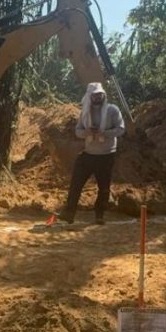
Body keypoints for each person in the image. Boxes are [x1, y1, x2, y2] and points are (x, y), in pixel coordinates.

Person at [60, 82, 125, 225]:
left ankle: (99, 215)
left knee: (104, 188)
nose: (98, 97)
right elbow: (78, 131)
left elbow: (121, 129)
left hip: (106, 155)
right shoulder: (84, 113)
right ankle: (69, 213)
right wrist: (87, 132)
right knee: (76, 183)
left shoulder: (112, 110)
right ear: (90, 96)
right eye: (95, 95)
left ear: (104, 95)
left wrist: (104, 133)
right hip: (88, 154)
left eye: (100, 94)